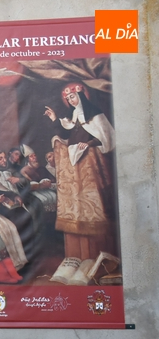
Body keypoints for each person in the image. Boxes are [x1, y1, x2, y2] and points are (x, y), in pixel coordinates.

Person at [44, 81, 117, 261]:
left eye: (73, 97)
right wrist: (54, 118)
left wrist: (89, 144)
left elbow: (105, 137)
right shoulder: (75, 115)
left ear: (80, 95)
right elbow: (67, 133)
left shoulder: (95, 115)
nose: (71, 100)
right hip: (77, 163)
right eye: (68, 98)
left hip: (91, 161)